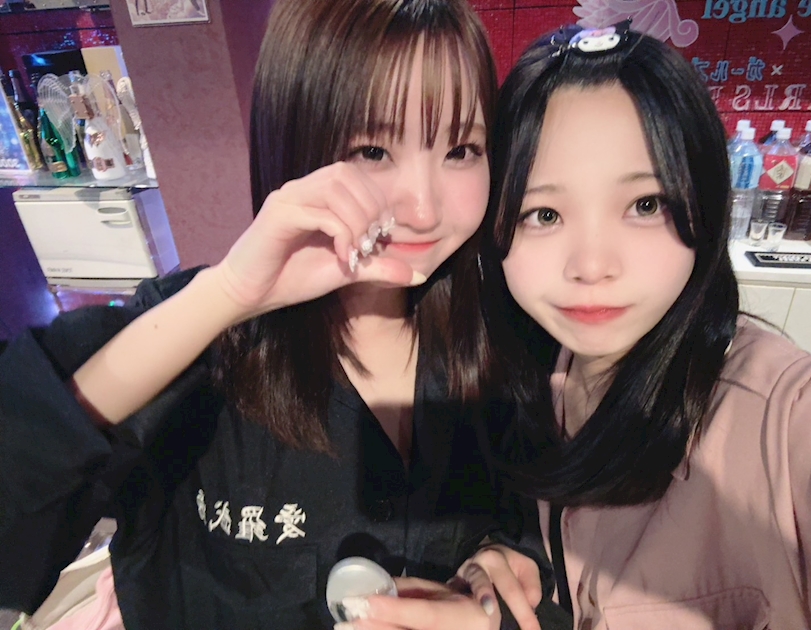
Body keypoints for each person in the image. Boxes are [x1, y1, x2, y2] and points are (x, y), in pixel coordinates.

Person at [0, 1, 543, 628]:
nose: (424, 210)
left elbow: (536, 531)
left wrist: (503, 566)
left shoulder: (507, 338)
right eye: (372, 149)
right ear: (293, 143)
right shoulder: (197, 342)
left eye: (462, 149)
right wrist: (227, 295)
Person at [464, 20, 811, 629]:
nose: (592, 266)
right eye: (544, 213)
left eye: (645, 205)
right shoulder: (523, 376)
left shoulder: (786, 418)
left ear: (704, 204)